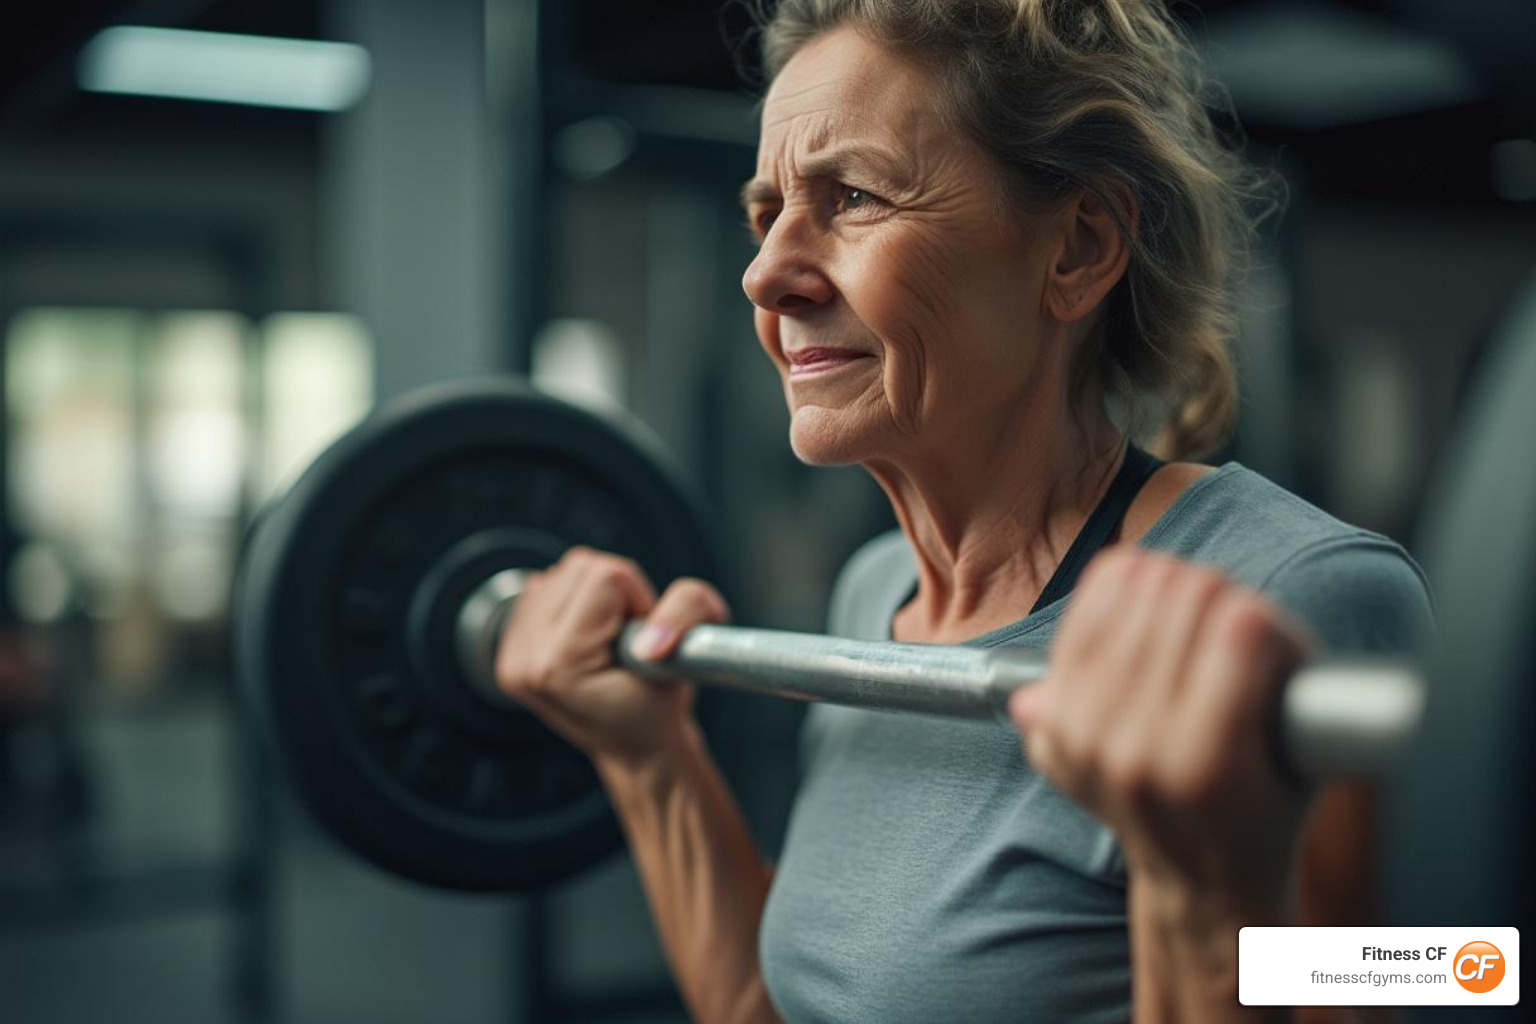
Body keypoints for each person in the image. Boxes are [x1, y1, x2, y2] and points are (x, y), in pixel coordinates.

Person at [496, 1, 1433, 1021]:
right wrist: (648, 758)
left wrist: (1210, 912)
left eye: (854, 197)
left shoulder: (1300, 599)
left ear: (1077, 250)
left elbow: (1457, 969)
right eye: (767, 215)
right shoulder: (878, 592)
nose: (765, 274)